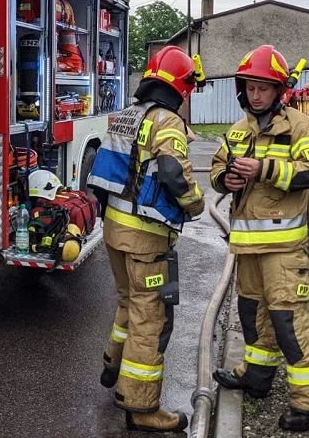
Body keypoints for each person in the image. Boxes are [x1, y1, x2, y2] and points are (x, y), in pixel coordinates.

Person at [210, 45, 309, 432]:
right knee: (253, 316)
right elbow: (217, 167)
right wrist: (225, 179)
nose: (256, 95)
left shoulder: (300, 126)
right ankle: (257, 378)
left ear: (279, 90)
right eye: (250, 87)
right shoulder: (238, 130)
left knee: (289, 322)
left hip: (282, 249)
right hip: (247, 247)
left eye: (263, 88)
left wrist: (264, 169)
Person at [87, 45, 205, 433]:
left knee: (128, 301)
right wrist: (196, 204)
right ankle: (140, 406)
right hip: (146, 238)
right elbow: (173, 173)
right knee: (150, 316)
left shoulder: (126, 114)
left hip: (114, 231)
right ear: (181, 88)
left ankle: (113, 365)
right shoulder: (167, 121)